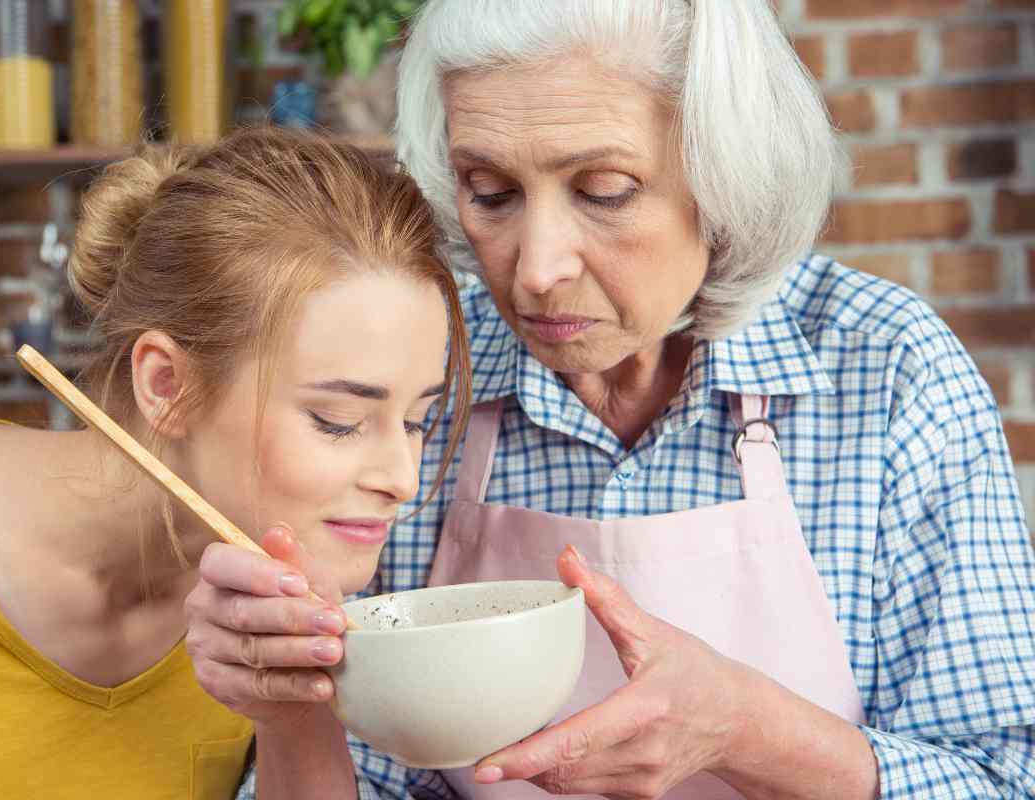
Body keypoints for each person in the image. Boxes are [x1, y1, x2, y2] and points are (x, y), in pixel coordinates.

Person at [187, 2, 1035, 799]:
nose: (535, 267)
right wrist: (289, 699)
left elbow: (1008, 776)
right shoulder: (424, 374)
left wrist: (749, 729)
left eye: (603, 191)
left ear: (725, 174)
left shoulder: (885, 371)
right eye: (490, 192)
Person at [0, 127, 470, 800]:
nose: (402, 478)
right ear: (167, 385)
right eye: (337, 422)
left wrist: (296, 710)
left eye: (416, 421)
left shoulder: (289, 602)